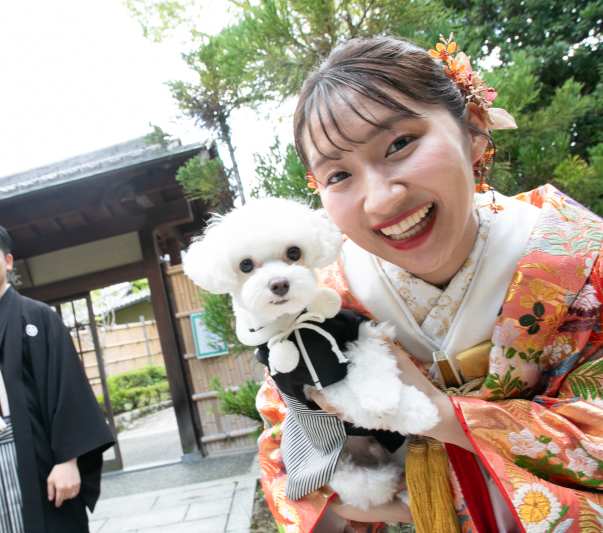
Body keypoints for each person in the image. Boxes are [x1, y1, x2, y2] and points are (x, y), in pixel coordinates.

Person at [256, 36, 603, 533]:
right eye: (338, 175)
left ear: (474, 129)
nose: (380, 199)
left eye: (399, 144)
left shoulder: (582, 262)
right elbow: (283, 442)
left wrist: (440, 415)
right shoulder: (325, 304)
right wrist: (341, 501)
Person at [0, 219, 115, 533]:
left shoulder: (39, 318)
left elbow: (68, 389)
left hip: (39, 465)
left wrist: (69, 460)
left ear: (7, 261)